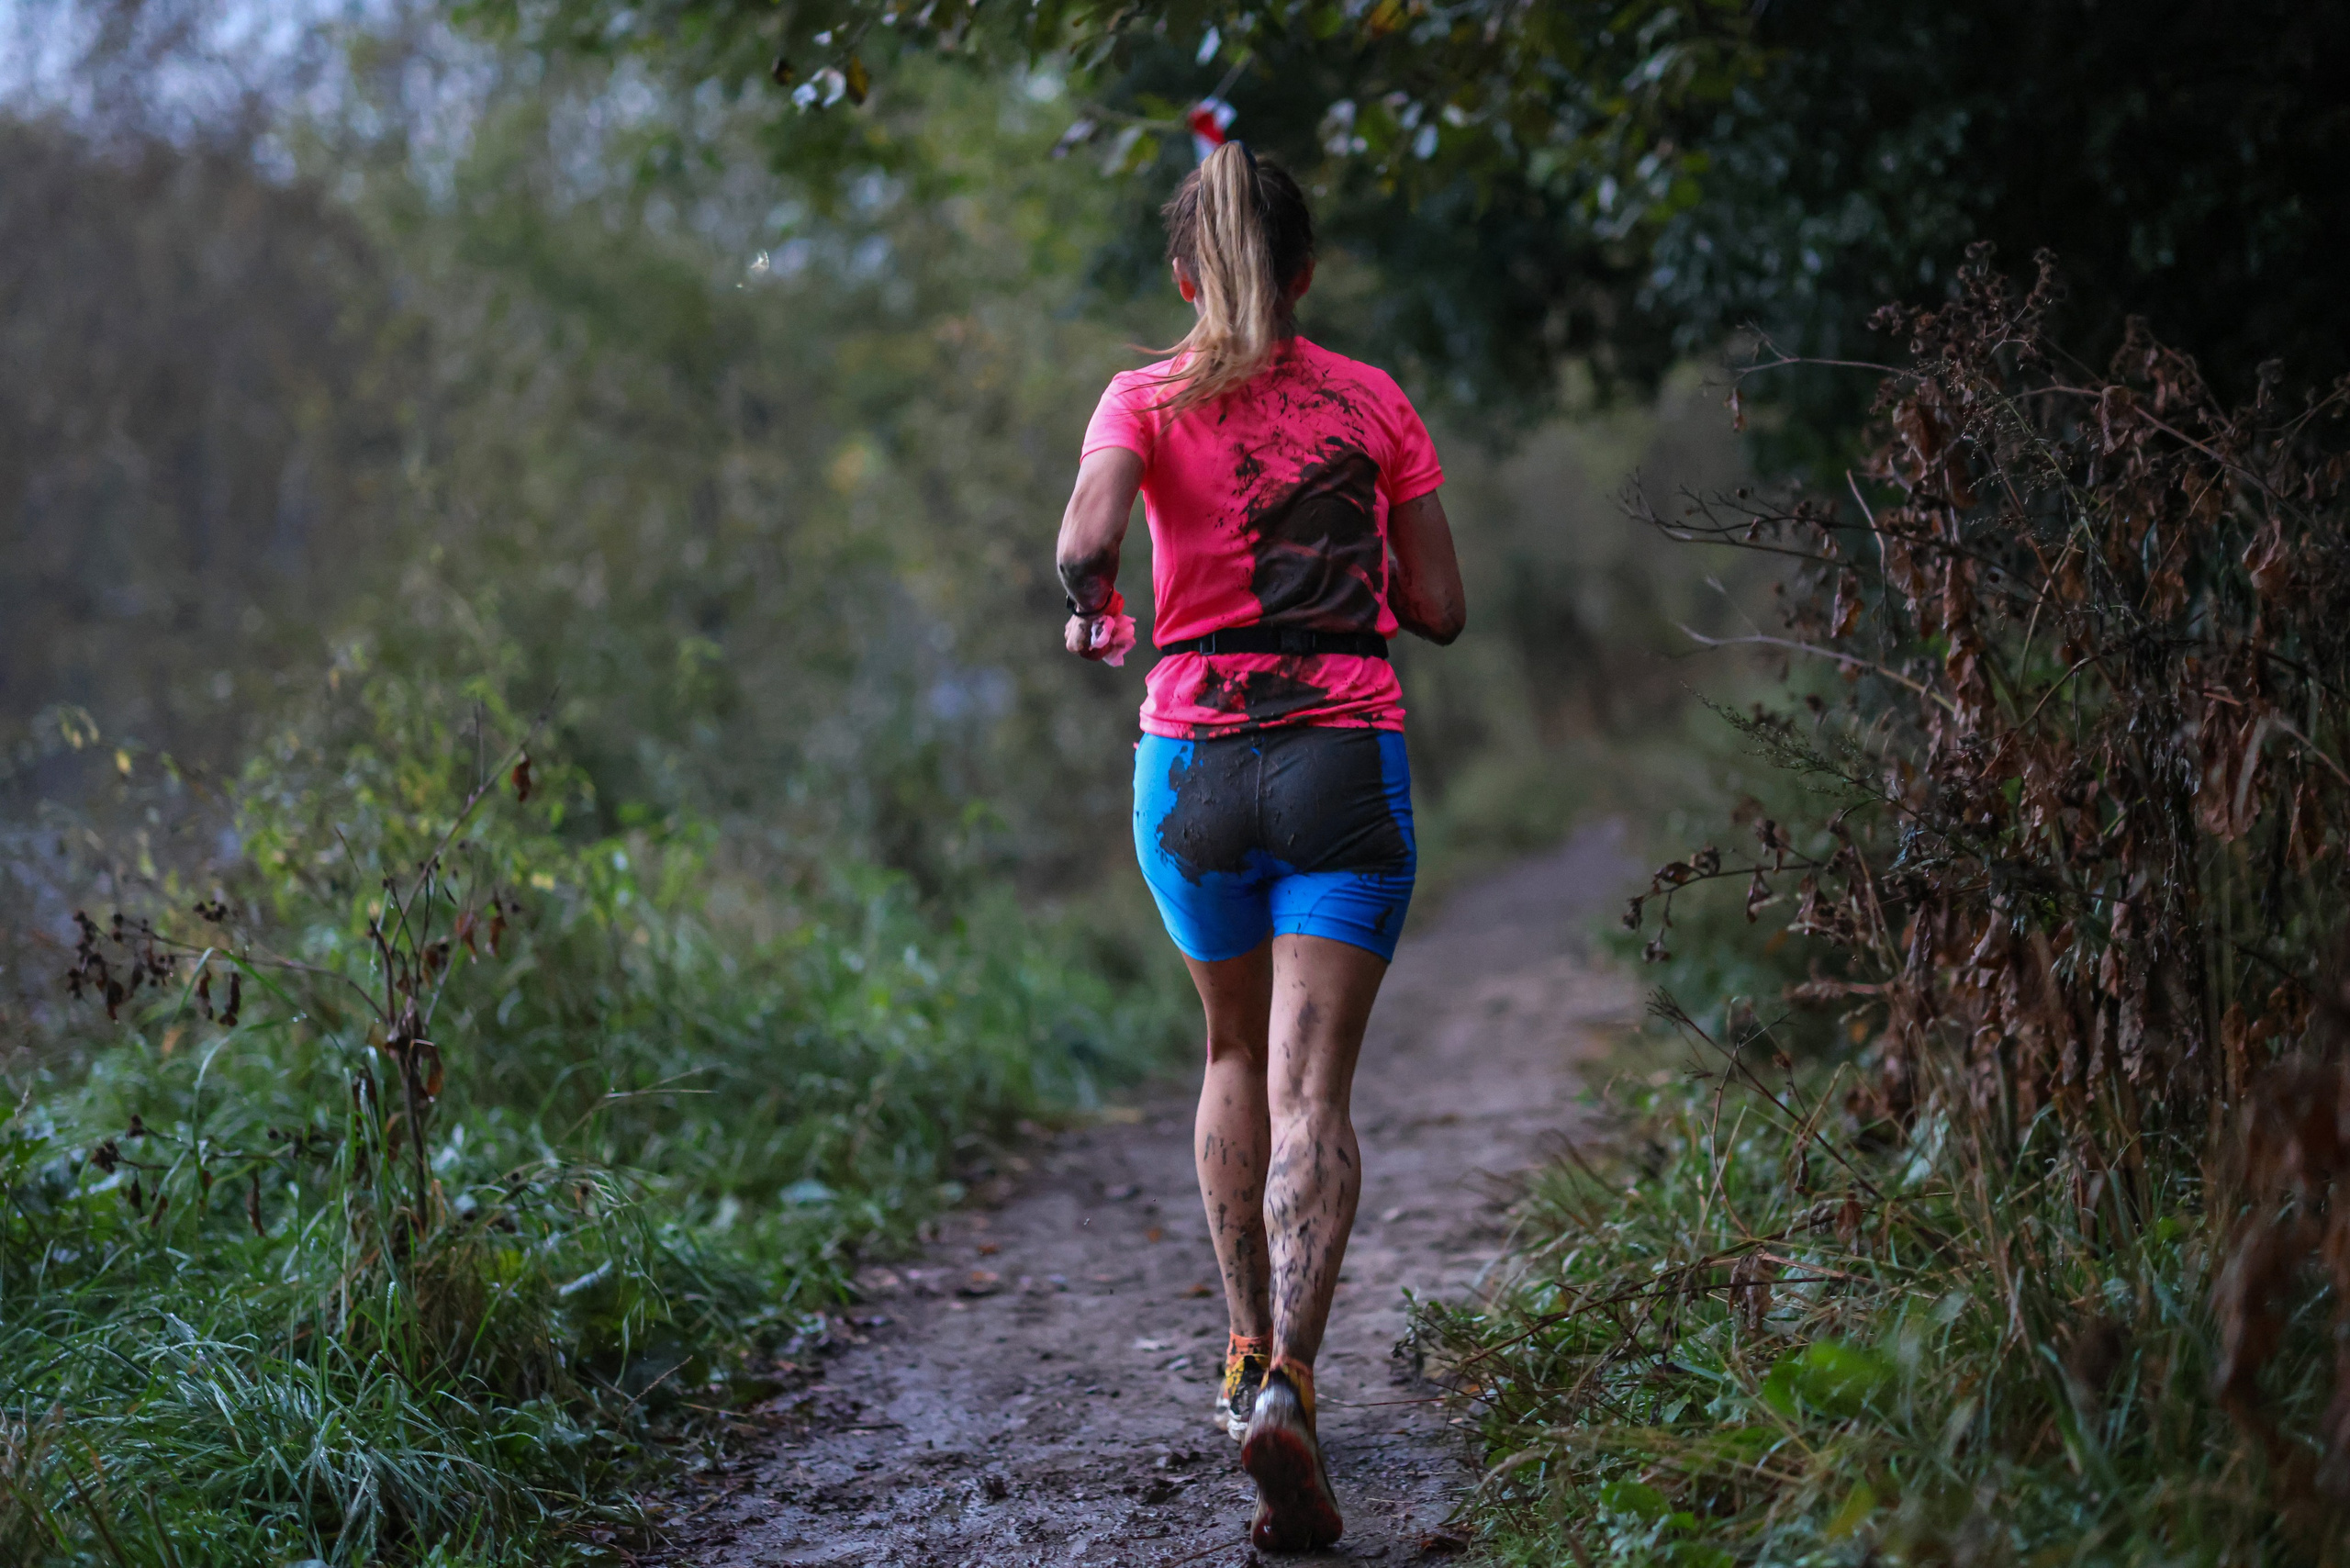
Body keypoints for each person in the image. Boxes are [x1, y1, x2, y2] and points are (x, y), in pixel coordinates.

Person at [1053, 139, 1467, 1554]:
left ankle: (1241, 1360)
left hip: (1193, 767)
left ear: (1186, 275)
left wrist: (1101, 607)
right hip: (1342, 756)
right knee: (1315, 1095)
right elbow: (1443, 604)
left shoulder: (1142, 394)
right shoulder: (1372, 403)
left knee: (1229, 1055)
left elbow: (1083, 540)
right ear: (1305, 272)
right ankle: (1293, 1376)